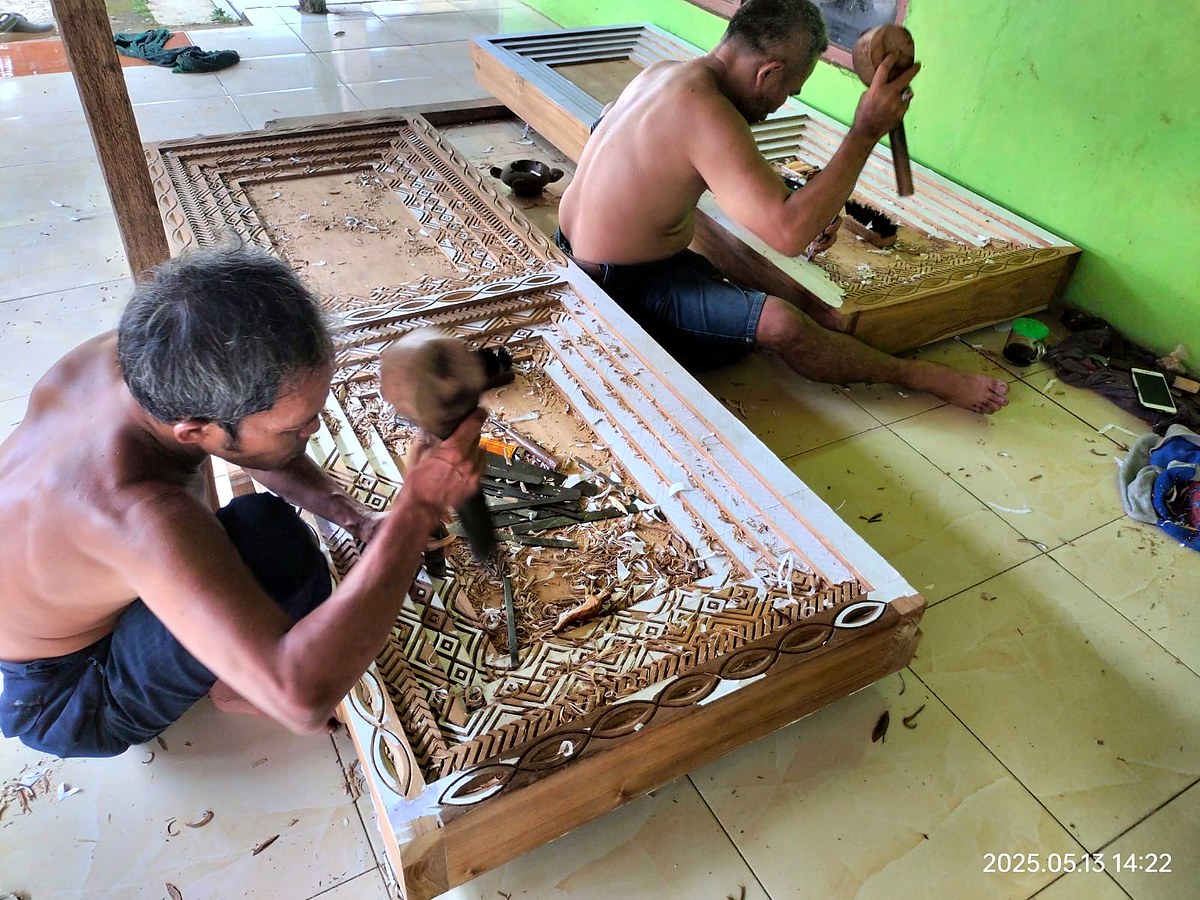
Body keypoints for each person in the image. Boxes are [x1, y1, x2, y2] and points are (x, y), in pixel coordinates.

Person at [0, 246, 485, 759]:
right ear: (194, 430)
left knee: (256, 526)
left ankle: (218, 652)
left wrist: (360, 521)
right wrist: (415, 511)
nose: (313, 430)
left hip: (49, 598)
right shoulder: (134, 509)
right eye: (294, 427)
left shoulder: (135, 357)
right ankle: (234, 687)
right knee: (282, 559)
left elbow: (247, 445)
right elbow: (300, 698)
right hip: (66, 695)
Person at [557, 0, 1008, 414]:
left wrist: (800, 203)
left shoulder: (663, 74)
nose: (780, 104)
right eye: (789, 90)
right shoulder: (709, 113)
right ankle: (920, 376)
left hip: (573, 249)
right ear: (768, 73)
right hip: (617, 287)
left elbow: (641, 144)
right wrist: (864, 133)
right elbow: (790, 236)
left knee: (728, 280)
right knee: (781, 324)